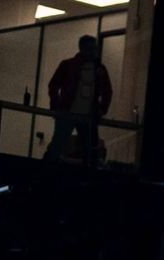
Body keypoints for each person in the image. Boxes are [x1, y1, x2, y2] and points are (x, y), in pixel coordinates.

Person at [44, 35, 113, 164]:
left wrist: (56, 105)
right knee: (86, 148)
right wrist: (102, 109)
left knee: (61, 145)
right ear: (82, 48)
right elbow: (107, 91)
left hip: (74, 113)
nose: (92, 52)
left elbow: (54, 85)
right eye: (90, 48)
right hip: (77, 113)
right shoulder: (97, 69)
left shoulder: (71, 65)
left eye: (93, 49)